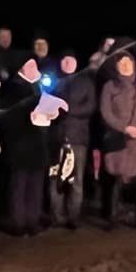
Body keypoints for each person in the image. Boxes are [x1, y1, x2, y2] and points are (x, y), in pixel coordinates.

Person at [98, 50, 136, 229]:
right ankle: (113, 217)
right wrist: (124, 128)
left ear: (134, 65)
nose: (125, 65)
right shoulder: (109, 87)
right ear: (116, 66)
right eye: (121, 62)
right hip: (119, 140)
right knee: (116, 179)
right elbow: (106, 112)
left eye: (128, 62)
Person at [0, 58, 52, 236]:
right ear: (22, 68)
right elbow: (4, 116)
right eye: (31, 65)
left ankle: (32, 220)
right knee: (19, 185)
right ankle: (18, 222)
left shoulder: (39, 87)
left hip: (37, 144)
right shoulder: (12, 87)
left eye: (36, 65)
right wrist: (28, 117)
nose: (36, 69)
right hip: (19, 143)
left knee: (35, 185)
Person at [45, 52, 95, 230]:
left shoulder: (86, 81)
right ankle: (56, 215)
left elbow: (89, 107)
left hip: (78, 138)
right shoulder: (54, 81)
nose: (67, 63)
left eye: (71, 60)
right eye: (64, 59)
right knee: (55, 177)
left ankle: (74, 216)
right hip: (56, 138)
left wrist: (67, 109)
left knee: (76, 179)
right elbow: (45, 103)